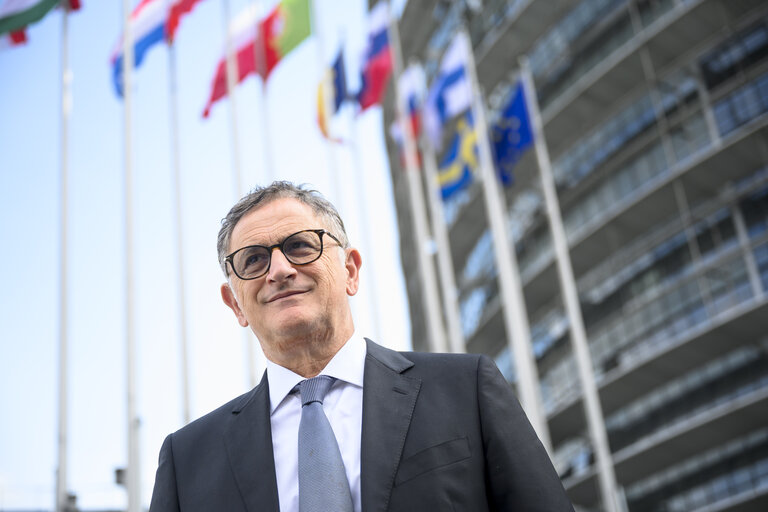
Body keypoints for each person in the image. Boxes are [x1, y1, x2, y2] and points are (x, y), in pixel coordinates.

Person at [149, 181, 574, 512]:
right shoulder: (187, 462)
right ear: (235, 303)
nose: (278, 270)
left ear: (350, 270)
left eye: (299, 245)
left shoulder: (465, 390)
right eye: (253, 260)